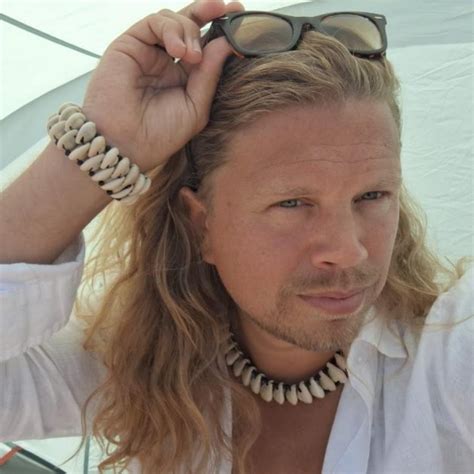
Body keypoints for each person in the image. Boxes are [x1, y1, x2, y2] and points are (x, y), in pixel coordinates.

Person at [0, 1, 473, 473]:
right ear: (200, 225)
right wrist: (104, 144)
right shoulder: (136, 365)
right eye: (292, 203)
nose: (348, 250)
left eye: (372, 195)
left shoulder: (448, 357)